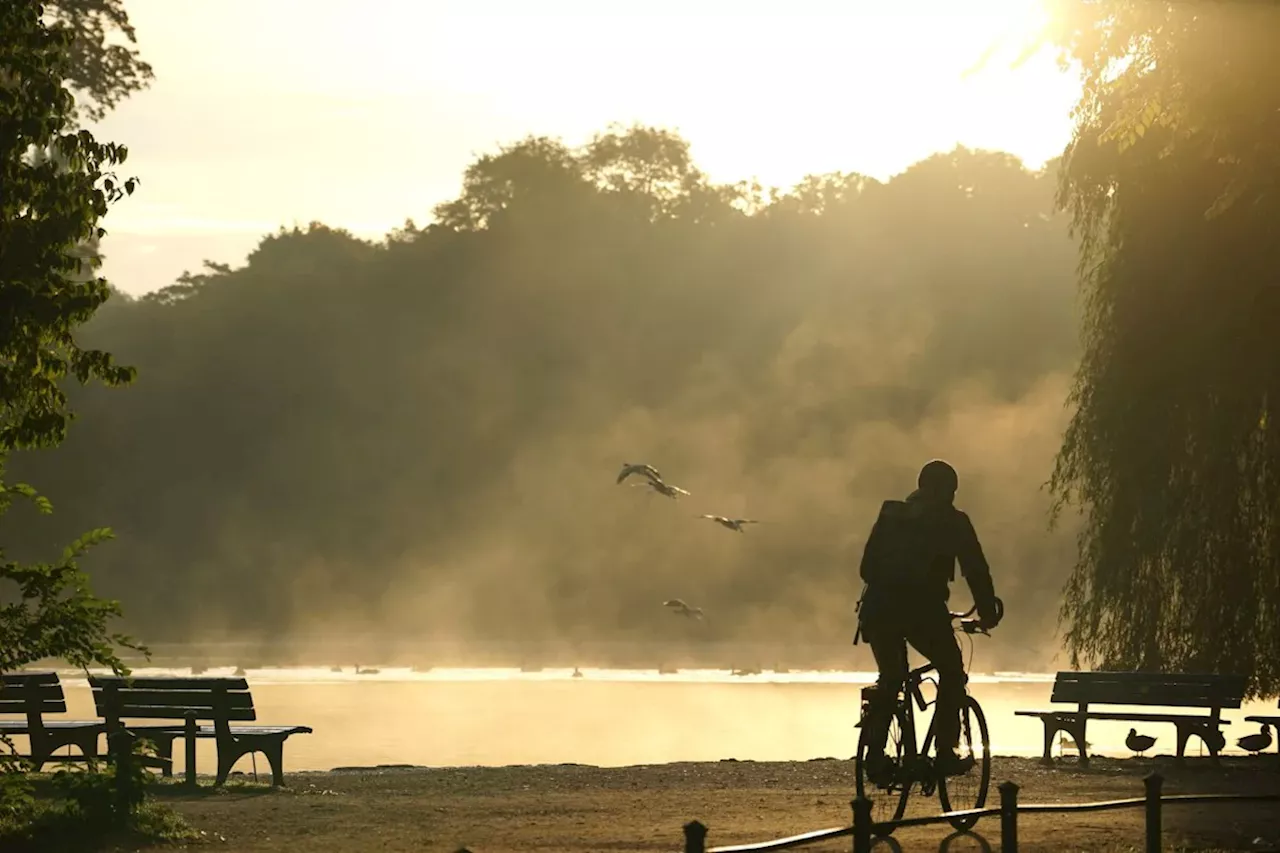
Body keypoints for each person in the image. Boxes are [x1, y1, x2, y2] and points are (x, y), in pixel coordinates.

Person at [856, 458, 1002, 783]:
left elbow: (866, 569)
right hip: (923, 612)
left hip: (878, 611)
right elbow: (976, 569)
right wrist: (988, 611)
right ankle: (946, 752)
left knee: (892, 677)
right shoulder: (954, 522)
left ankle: (876, 757)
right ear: (949, 491)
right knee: (951, 669)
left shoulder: (891, 514)